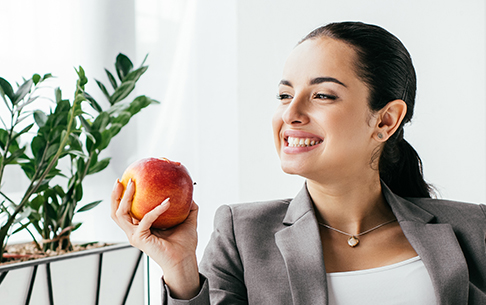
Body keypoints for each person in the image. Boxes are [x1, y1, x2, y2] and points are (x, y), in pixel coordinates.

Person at [111, 21, 486, 304]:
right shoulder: (242, 235)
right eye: (284, 93)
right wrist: (179, 271)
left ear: (386, 120)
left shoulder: (473, 229)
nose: (291, 112)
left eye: (322, 95)